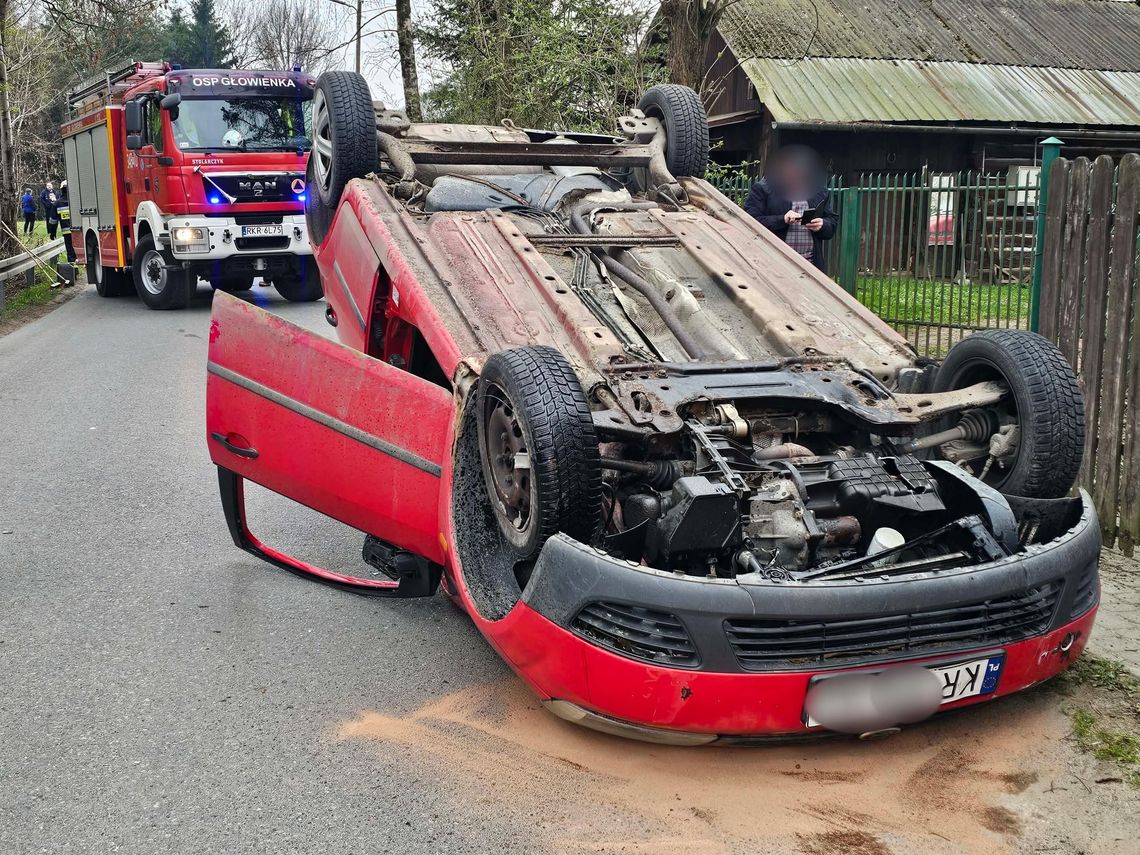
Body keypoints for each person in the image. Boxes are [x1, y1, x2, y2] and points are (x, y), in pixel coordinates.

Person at [743, 145, 838, 272]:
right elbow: (749, 222)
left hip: (810, 265)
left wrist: (822, 224)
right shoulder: (763, 189)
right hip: (773, 265)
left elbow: (831, 222)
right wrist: (782, 220)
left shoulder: (819, 192)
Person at [56, 180, 76, 263]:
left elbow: (53, 220)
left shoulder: (57, 203)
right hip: (78, 231)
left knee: (70, 251)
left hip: (67, 232)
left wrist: (52, 232)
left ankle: (73, 271)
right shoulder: (76, 201)